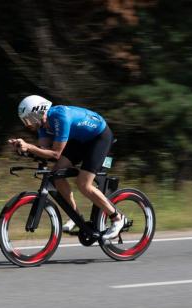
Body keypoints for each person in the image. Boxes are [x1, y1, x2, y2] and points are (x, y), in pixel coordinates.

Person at [8, 95, 126, 241]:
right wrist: (24, 150)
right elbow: (44, 152)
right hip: (80, 141)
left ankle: (117, 218)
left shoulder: (59, 117)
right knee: (56, 175)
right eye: (25, 121)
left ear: (38, 112)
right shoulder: (43, 126)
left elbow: (56, 154)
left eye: (29, 119)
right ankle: (77, 218)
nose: (28, 124)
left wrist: (30, 147)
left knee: (84, 184)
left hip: (99, 138)